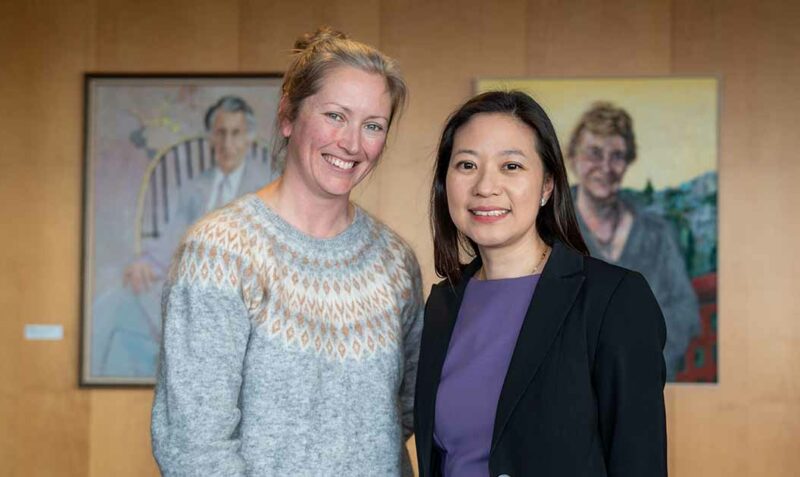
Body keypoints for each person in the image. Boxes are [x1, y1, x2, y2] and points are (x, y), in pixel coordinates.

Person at [151, 27, 423, 476]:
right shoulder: (219, 250)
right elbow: (193, 446)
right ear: (288, 116)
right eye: (336, 115)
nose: (352, 143)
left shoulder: (395, 260)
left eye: (372, 125)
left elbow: (404, 413)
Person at [415, 91, 667, 476]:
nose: (486, 186)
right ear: (444, 183)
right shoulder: (442, 305)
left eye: (511, 166)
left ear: (547, 185)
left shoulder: (612, 300)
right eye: (466, 165)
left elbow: (639, 463)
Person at [91, 95, 277, 377]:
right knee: (114, 302)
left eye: (236, 133)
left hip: (246, 290)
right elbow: (172, 240)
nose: (228, 143)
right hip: (194, 284)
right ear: (210, 137)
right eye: (221, 133)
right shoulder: (195, 187)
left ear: (249, 137)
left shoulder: (268, 186)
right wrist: (147, 264)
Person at [566, 101, 701, 380]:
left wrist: (640, 366)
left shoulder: (656, 233)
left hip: (641, 384)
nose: (605, 167)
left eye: (617, 156)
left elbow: (683, 310)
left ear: (628, 162)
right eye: (594, 153)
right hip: (566, 389)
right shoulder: (549, 230)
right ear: (573, 158)